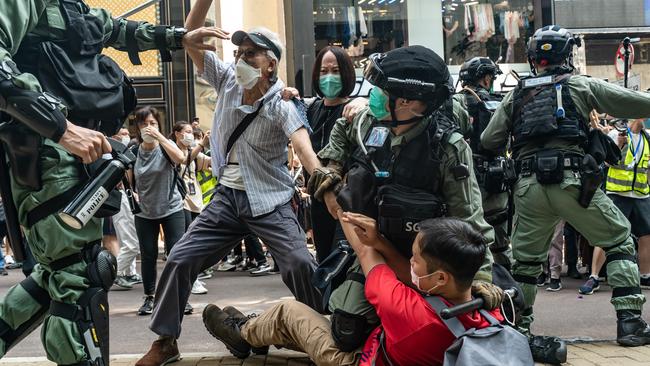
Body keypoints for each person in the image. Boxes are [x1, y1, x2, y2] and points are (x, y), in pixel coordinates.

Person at [0, 1, 212, 364]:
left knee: (60, 273)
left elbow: (117, 29)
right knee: (79, 276)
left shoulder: (71, 8)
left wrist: (179, 37)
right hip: (49, 156)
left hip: (78, 159)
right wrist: (61, 128)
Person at [137, 1, 325, 364]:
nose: (240, 59)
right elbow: (190, 41)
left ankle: (326, 329)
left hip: (270, 201)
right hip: (226, 200)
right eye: (238, 52)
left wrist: (321, 180)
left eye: (251, 54)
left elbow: (302, 145)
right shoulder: (226, 82)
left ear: (271, 63)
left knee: (301, 263)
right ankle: (165, 341)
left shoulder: (280, 103)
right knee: (179, 259)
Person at [310, 45, 501, 353]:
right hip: (374, 249)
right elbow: (343, 130)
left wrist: (477, 281)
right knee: (347, 327)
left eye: (381, 90)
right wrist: (331, 168)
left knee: (444, 329)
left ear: (409, 101)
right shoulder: (370, 122)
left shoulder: (449, 150)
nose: (373, 96)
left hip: (425, 262)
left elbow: (469, 221)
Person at [481, 25, 650, 361]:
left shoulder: (516, 94)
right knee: (618, 240)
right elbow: (638, 104)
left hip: (527, 187)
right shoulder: (580, 85)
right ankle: (629, 323)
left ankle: (520, 330)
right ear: (566, 56)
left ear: (533, 59)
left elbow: (489, 140)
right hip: (574, 184)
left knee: (526, 263)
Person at [202, 216, 505, 365]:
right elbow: (410, 275)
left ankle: (241, 334)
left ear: (440, 278)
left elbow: (364, 250)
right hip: (397, 351)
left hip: (360, 360)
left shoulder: (407, 311)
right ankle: (258, 333)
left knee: (288, 311)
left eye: (415, 258)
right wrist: (386, 243)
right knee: (315, 324)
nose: (409, 261)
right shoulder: (485, 305)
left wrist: (339, 206)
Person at [455, 57, 513, 269]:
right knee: (500, 239)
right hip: (496, 178)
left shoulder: (456, 101)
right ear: (487, 78)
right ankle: (510, 290)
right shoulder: (500, 102)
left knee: (466, 233)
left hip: (464, 175)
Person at [581, 117, 650, 293]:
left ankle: (645, 275)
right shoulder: (614, 134)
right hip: (618, 194)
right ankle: (594, 277)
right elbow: (603, 162)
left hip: (641, 194)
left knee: (646, 235)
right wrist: (618, 145)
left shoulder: (647, 137)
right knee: (608, 233)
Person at [131, 107, 188, 316]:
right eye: (144, 124)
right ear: (137, 127)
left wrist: (161, 138)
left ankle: (178, 297)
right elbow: (129, 178)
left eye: (152, 123)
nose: (148, 127)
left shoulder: (166, 146)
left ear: (159, 126)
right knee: (148, 255)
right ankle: (149, 297)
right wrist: (132, 194)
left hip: (171, 207)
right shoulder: (134, 150)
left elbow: (181, 158)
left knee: (176, 253)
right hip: (144, 211)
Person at [304, 46, 356, 262]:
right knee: (324, 258)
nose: (329, 77)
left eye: (335, 71)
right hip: (317, 198)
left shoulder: (354, 111)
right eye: (323, 72)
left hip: (347, 198)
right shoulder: (310, 109)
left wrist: (362, 102)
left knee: (344, 257)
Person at [110, 129, 143, 290]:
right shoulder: (110, 154)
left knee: (127, 240)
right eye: (122, 134)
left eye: (127, 133)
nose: (126, 136)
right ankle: (115, 273)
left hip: (126, 197)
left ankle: (129, 272)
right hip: (121, 198)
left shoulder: (119, 153)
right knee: (132, 243)